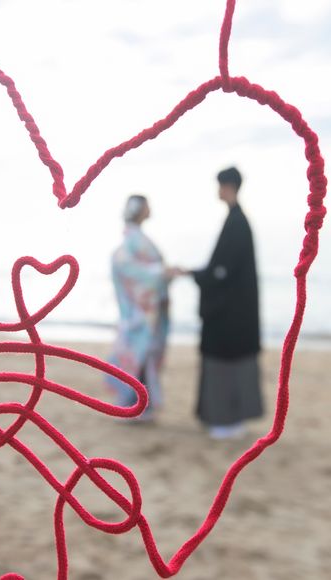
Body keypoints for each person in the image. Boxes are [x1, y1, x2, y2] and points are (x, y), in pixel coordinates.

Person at [187, 167, 263, 439]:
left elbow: (222, 271)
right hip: (236, 312)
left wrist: (197, 275)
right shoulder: (236, 220)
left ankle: (226, 420)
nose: (218, 191)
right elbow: (219, 268)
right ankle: (228, 419)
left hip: (231, 315)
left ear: (228, 187)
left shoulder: (237, 223)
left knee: (226, 361)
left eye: (220, 185)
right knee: (232, 361)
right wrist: (197, 273)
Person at [106, 194, 179, 422]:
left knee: (141, 357)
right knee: (140, 356)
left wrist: (160, 273)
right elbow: (131, 269)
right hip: (141, 311)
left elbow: (136, 269)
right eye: (147, 206)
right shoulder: (133, 240)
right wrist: (160, 273)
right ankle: (136, 406)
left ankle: (139, 406)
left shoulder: (134, 238)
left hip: (142, 309)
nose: (150, 209)